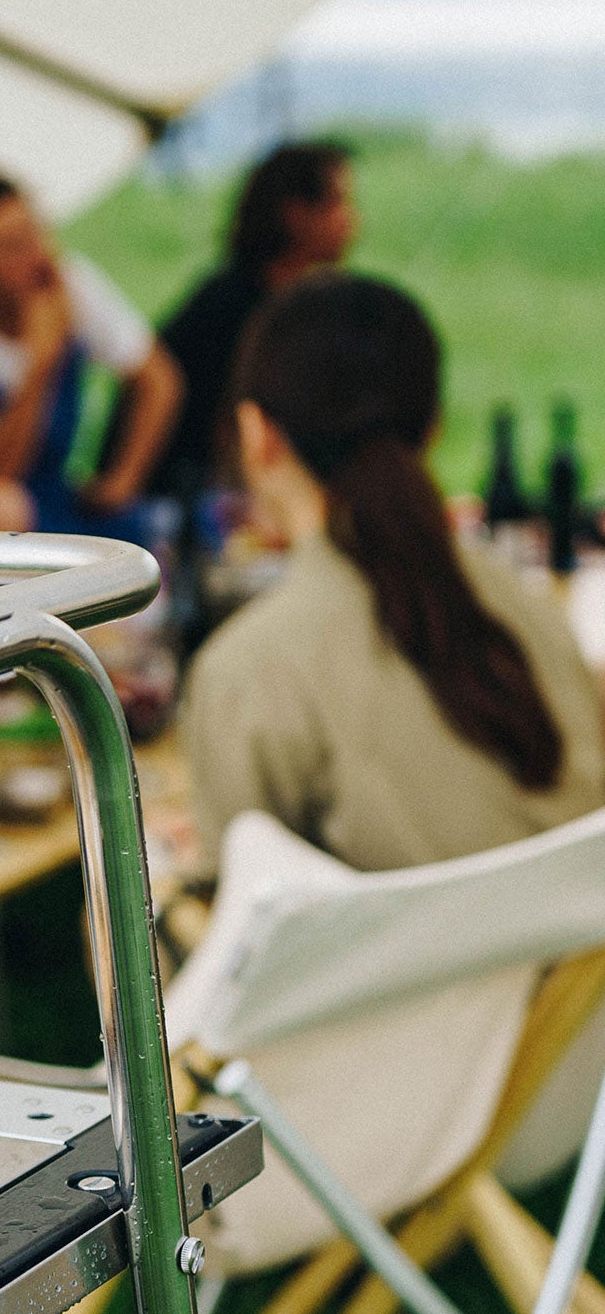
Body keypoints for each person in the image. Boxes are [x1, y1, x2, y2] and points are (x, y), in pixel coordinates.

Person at [182, 273, 602, 872]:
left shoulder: (247, 667)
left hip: (413, 967)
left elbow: (239, 924)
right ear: (433, 427)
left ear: (257, 436)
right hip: (579, 963)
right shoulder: (533, 611)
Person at [0, 168, 180, 537]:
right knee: (1, 507)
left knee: (155, 530)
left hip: (49, 498)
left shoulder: (68, 285)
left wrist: (123, 480)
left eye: (35, 231)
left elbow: (157, 377)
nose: (38, 254)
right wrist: (40, 361)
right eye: (12, 245)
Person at [147, 140, 355, 509]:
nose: (351, 221)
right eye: (339, 203)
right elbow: (229, 430)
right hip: (187, 498)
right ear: (295, 214)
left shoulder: (289, 302)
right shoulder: (234, 308)